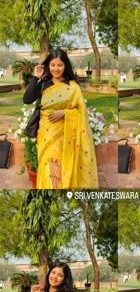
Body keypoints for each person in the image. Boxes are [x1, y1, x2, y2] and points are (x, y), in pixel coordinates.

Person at [23, 48, 98, 189]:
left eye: (60, 65)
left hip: (65, 133)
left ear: (65, 66)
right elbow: (27, 99)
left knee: (63, 164)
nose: (56, 69)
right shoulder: (44, 83)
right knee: (48, 163)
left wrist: (65, 112)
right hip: (46, 132)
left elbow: (81, 110)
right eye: (52, 65)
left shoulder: (72, 86)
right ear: (48, 66)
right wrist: (35, 78)